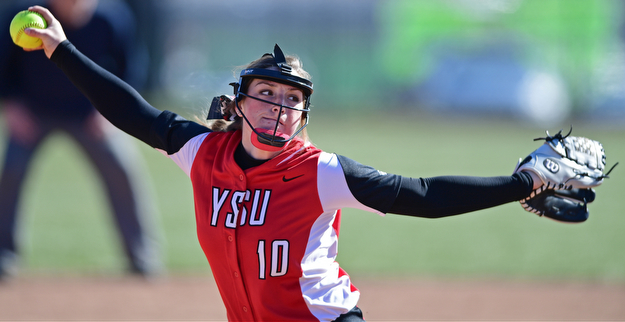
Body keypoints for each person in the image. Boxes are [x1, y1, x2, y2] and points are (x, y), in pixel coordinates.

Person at [24, 5, 547, 321]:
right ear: (240, 102)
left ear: (303, 113)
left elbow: (425, 196)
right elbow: (129, 110)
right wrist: (61, 48)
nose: (277, 107)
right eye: (266, 93)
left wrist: (522, 182)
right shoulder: (202, 152)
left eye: (291, 98)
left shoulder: (322, 172)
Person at [0, 0, 162, 279]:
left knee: (122, 168)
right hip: (34, 114)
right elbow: (3, 67)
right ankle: (4, 256)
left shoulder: (111, 19)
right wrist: (12, 105)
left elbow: (130, 69)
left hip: (90, 115)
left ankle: (142, 257)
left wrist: (109, 113)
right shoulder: (26, 16)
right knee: (11, 172)